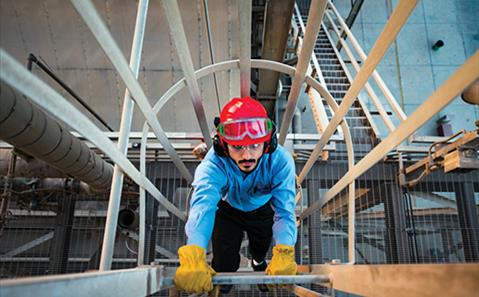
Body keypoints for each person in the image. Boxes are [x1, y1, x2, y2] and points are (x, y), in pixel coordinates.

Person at [174, 96, 298, 294]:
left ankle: (259, 263)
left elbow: (284, 211)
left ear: (268, 143)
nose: (247, 156)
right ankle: (224, 281)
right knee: (223, 256)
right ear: (223, 145)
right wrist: (194, 253)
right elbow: (203, 206)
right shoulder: (214, 164)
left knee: (260, 246)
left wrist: (285, 249)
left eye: (255, 145)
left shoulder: (280, 161)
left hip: (262, 211)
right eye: (238, 147)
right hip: (228, 211)